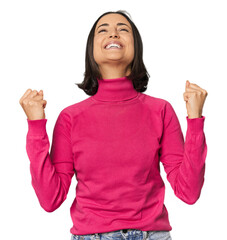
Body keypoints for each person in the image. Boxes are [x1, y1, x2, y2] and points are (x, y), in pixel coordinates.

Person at [19, 10, 208, 240]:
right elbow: (50, 199)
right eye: (103, 30)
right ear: (91, 50)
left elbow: (188, 192)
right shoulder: (70, 117)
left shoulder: (160, 110)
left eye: (123, 29)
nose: (114, 33)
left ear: (136, 47)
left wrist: (195, 120)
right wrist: (36, 125)